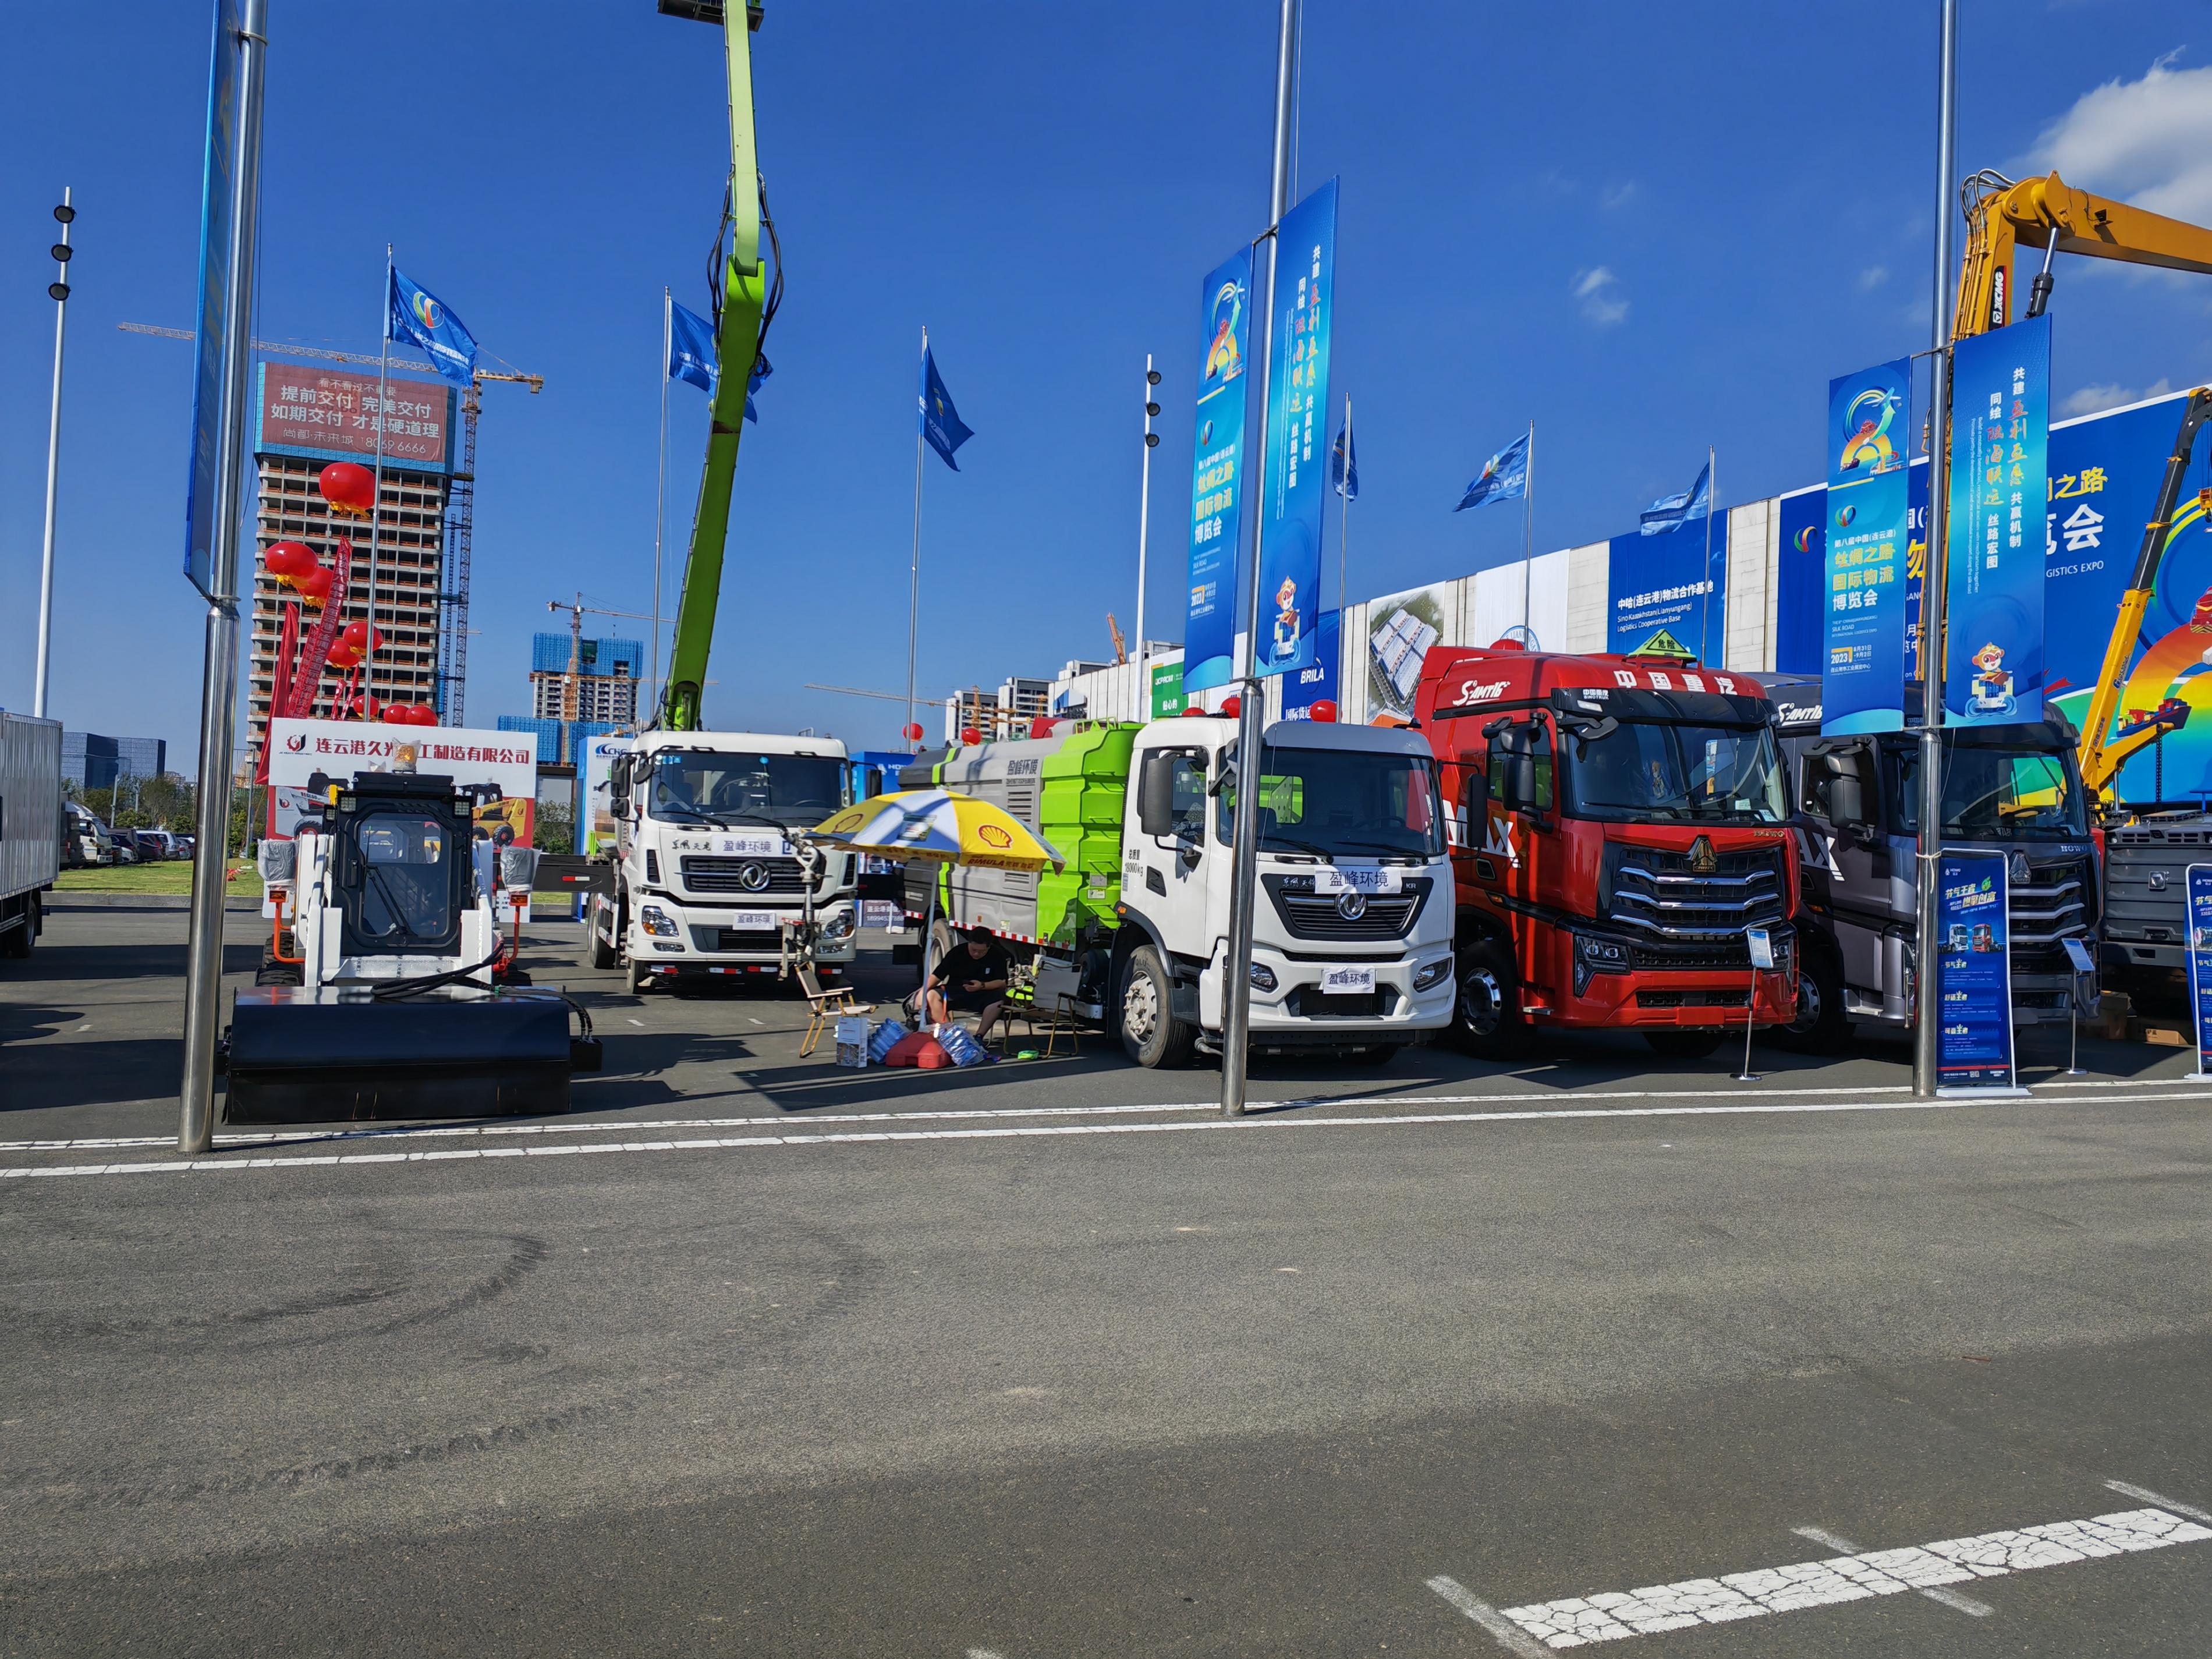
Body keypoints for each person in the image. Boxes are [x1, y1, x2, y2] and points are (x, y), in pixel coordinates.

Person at [924, 926, 1012, 1043]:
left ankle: (979, 1037)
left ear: (989, 947)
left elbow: (1002, 983)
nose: (976, 954)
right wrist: (922, 992)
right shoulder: (957, 952)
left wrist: (982, 985)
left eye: (981, 952)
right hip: (957, 991)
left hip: (983, 992)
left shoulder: (997, 954)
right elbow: (937, 976)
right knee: (931, 995)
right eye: (973, 950)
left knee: (998, 999)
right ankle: (951, 1034)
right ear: (969, 943)